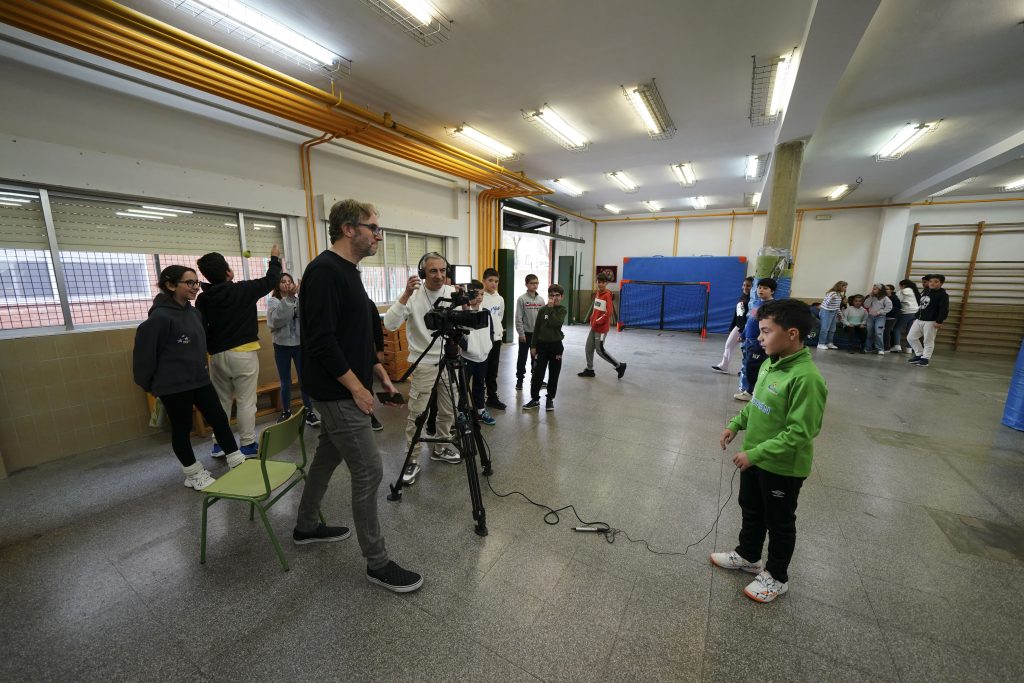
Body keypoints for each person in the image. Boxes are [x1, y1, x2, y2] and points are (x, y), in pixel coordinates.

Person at [294, 198, 421, 593]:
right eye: (373, 228)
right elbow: (322, 342)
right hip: (337, 393)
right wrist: (357, 388)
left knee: (326, 458)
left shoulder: (348, 271)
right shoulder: (324, 272)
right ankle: (377, 563)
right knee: (369, 471)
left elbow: (353, 336)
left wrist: (380, 375)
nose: (378, 236)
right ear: (349, 229)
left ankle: (305, 526)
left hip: (346, 387)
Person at [712, 298, 828, 603]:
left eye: (766, 331)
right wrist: (736, 424)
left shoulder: (806, 379)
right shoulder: (768, 364)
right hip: (756, 459)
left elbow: (801, 433)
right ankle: (749, 555)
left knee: (779, 522)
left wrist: (755, 454)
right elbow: (756, 404)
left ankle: (777, 577)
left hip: (782, 467)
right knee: (751, 509)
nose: (759, 338)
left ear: (792, 334)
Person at [132, 266, 244, 490]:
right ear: (171, 285)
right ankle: (193, 473)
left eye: (197, 282)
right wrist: (151, 385)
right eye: (190, 283)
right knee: (182, 429)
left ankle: (236, 459)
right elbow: (144, 357)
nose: (196, 287)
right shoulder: (160, 318)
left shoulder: (194, 313)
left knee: (219, 419)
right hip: (173, 386)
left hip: (200, 380)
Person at [196, 245, 281, 457]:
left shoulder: (203, 299)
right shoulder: (243, 289)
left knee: (221, 402)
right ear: (228, 272)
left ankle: (219, 444)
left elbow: (200, 328)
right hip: (243, 354)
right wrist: (274, 258)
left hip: (216, 356)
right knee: (246, 401)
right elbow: (272, 279)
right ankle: (247, 444)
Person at [383, 251, 460, 486]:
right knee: (417, 414)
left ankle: (441, 446)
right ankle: (412, 458)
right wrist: (405, 294)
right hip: (424, 363)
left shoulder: (452, 292)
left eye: (442, 270)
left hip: (449, 361)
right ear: (422, 273)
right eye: (433, 271)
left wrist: (467, 304)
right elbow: (390, 324)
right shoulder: (413, 296)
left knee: (449, 410)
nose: (439, 275)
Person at [266, 273, 320, 427]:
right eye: (283, 281)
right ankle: (286, 411)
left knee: (304, 379)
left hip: (298, 345)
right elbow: (277, 321)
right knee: (285, 381)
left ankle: (309, 412)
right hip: (281, 346)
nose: (287, 284)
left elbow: (306, 318)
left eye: (289, 281)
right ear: (277, 285)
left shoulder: (297, 300)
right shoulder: (273, 301)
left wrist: (303, 295)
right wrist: (289, 299)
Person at [523, 284, 567, 412]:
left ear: (562, 297)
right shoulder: (542, 310)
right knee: (538, 373)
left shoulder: (562, 310)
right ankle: (535, 399)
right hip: (541, 346)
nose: (554, 298)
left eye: (557, 295)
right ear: (548, 296)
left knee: (554, 374)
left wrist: (551, 309)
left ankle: (550, 399)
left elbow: (555, 323)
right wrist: (533, 345)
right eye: (551, 295)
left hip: (556, 346)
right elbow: (536, 328)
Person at [460, 281, 497, 426]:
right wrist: (468, 347)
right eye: (476, 294)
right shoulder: (463, 312)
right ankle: (461, 411)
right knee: (463, 386)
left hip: (483, 357)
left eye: (482, 294)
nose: (480, 297)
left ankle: (480, 410)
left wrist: (489, 346)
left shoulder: (486, 312)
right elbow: (459, 335)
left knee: (480, 385)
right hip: (468, 357)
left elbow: (491, 331)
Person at [735, 277, 777, 402]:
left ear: (772, 291)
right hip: (749, 341)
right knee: (747, 365)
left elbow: (769, 326)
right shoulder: (757, 303)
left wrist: (763, 341)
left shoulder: (772, 306)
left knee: (753, 367)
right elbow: (750, 321)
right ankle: (747, 389)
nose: (761, 290)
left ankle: (750, 392)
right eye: (759, 287)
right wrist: (743, 335)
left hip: (758, 342)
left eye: (765, 288)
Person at [578, 273, 627, 379]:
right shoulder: (598, 293)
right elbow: (596, 309)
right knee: (588, 348)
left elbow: (608, 313)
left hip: (601, 329)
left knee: (600, 350)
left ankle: (619, 366)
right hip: (594, 326)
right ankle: (590, 370)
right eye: (599, 282)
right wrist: (592, 318)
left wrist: (597, 321)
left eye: (603, 282)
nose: (600, 284)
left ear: (606, 283)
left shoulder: (607, 295)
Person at [713, 276, 754, 373]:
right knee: (728, 344)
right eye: (744, 285)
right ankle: (724, 365)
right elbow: (737, 313)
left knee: (745, 350)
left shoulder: (752, 300)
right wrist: (732, 326)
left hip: (745, 328)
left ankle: (744, 370)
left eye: (748, 286)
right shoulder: (742, 297)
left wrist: (744, 330)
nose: (745, 287)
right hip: (738, 326)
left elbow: (750, 317)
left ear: (753, 287)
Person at [908, 274, 949, 368]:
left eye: (936, 282)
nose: (932, 283)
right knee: (911, 337)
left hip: (931, 321)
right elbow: (921, 306)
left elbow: (944, 309)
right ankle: (919, 355)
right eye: (930, 281)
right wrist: (916, 317)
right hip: (919, 319)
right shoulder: (926, 291)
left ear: (941, 283)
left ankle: (925, 359)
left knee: (928, 340)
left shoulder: (943, 295)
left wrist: (939, 321)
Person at [481, 268, 507, 411]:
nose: (493, 284)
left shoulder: (500, 299)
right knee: (481, 370)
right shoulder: (480, 298)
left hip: (496, 340)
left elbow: (499, 317)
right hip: (482, 340)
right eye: (490, 280)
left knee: (493, 370)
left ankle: (492, 397)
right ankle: (478, 399)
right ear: (484, 281)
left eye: (496, 281)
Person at [514, 274, 545, 391]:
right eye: (532, 283)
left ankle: (535, 379)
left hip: (537, 336)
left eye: (536, 283)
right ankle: (520, 380)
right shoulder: (522, 299)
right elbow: (518, 317)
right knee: (522, 358)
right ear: (526, 284)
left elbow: (543, 318)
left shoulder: (541, 300)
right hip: (525, 334)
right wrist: (521, 333)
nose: (534, 285)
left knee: (535, 358)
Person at [815, 281, 846, 350]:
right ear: (840, 286)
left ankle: (829, 343)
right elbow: (826, 303)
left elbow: (837, 306)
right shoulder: (832, 293)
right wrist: (830, 299)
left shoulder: (839, 295)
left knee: (832, 329)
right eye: (844, 287)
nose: (845, 289)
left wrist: (840, 314)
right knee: (825, 329)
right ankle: (821, 343)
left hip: (834, 312)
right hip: (826, 312)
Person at [862, 284, 893, 354]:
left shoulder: (885, 298)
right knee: (869, 333)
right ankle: (868, 348)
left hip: (880, 317)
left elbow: (889, 307)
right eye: (873, 288)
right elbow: (866, 305)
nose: (873, 290)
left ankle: (880, 349)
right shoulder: (872, 297)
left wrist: (880, 312)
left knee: (878, 332)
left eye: (875, 289)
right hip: (870, 317)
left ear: (880, 290)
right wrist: (870, 297)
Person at [896, 279, 920, 352]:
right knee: (910, 330)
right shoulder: (914, 291)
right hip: (916, 312)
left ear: (903, 285)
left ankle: (897, 346)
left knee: (897, 328)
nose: (900, 287)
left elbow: (898, 300)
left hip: (907, 312)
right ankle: (909, 348)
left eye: (900, 286)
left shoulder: (902, 291)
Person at [883, 284, 902, 352]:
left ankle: (887, 347)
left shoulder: (894, 298)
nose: (885, 290)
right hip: (885, 316)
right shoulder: (884, 297)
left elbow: (897, 308)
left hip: (891, 317)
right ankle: (886, 346)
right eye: (884, 289)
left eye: (887, 289)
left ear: (891, 290)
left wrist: (886, 310)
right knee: (887, 331)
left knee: (886, 331)